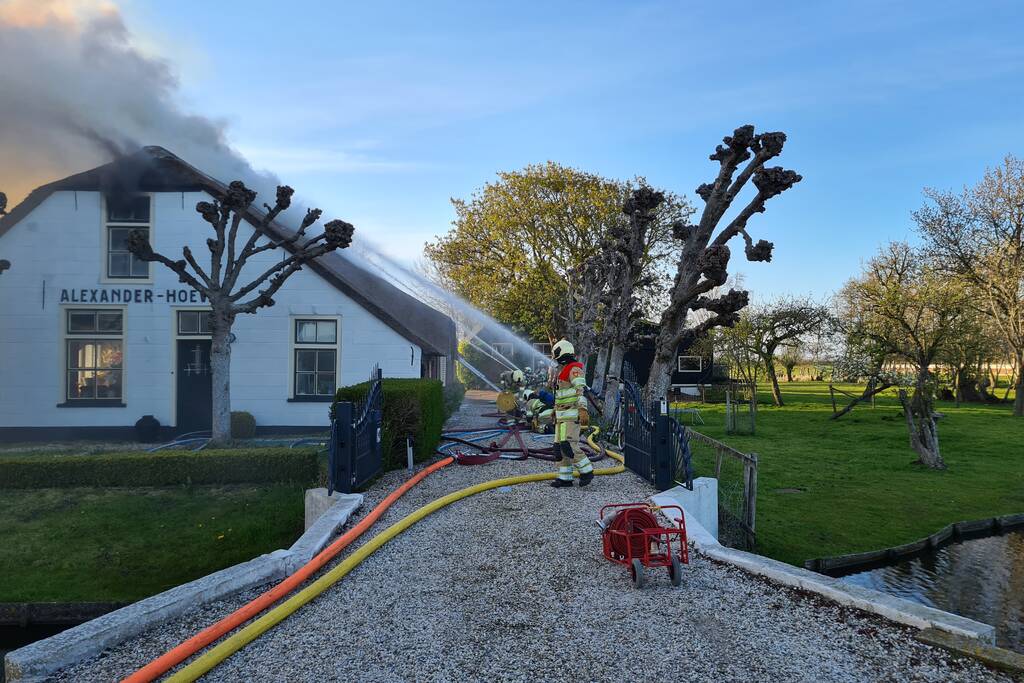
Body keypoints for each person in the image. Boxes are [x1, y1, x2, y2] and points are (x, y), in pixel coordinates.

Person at [549, 339, 594, 488]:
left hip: (571, 415)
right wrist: (555, 412)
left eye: (555, 353)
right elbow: (561, 395)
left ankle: (587, 471)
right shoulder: (562, 370)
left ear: (562, 352)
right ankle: (565, 478)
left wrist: (582, 409)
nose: (554, 357)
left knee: (569, 445)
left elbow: (580, 389)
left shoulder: (574, 369)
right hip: (561, 417)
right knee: (559, 449)